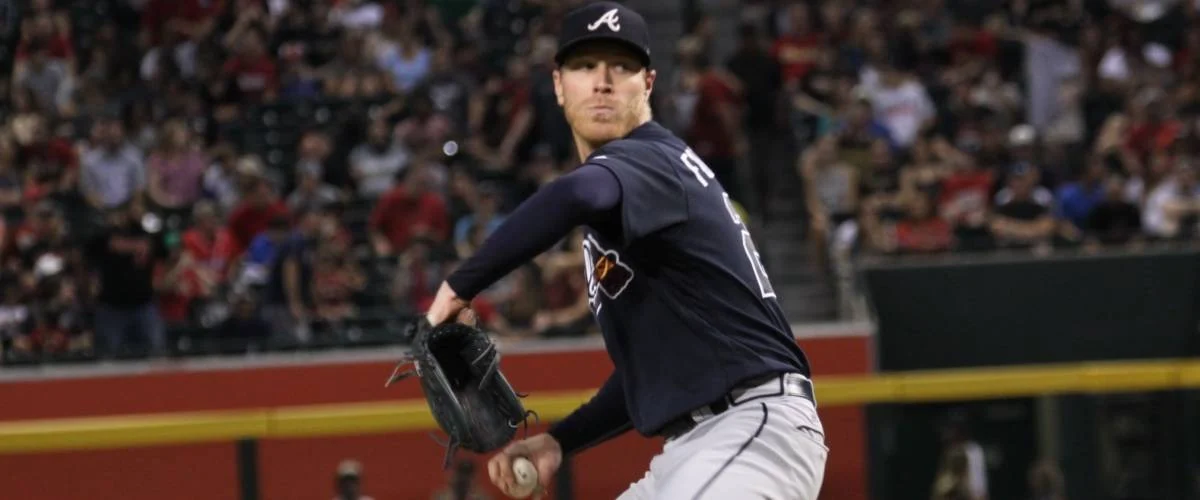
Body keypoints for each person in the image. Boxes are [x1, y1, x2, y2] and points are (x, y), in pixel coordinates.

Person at [421, 3, 827, 498]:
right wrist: (559, 443)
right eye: (584, 66)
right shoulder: (629, 210)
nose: (602, 81)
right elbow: (648, 372)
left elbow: (573, 195)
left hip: (750, 427)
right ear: (557, 84)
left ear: (649, 84)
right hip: (696, 445)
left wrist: (456, 289)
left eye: (622, 67)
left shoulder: (650, 157)